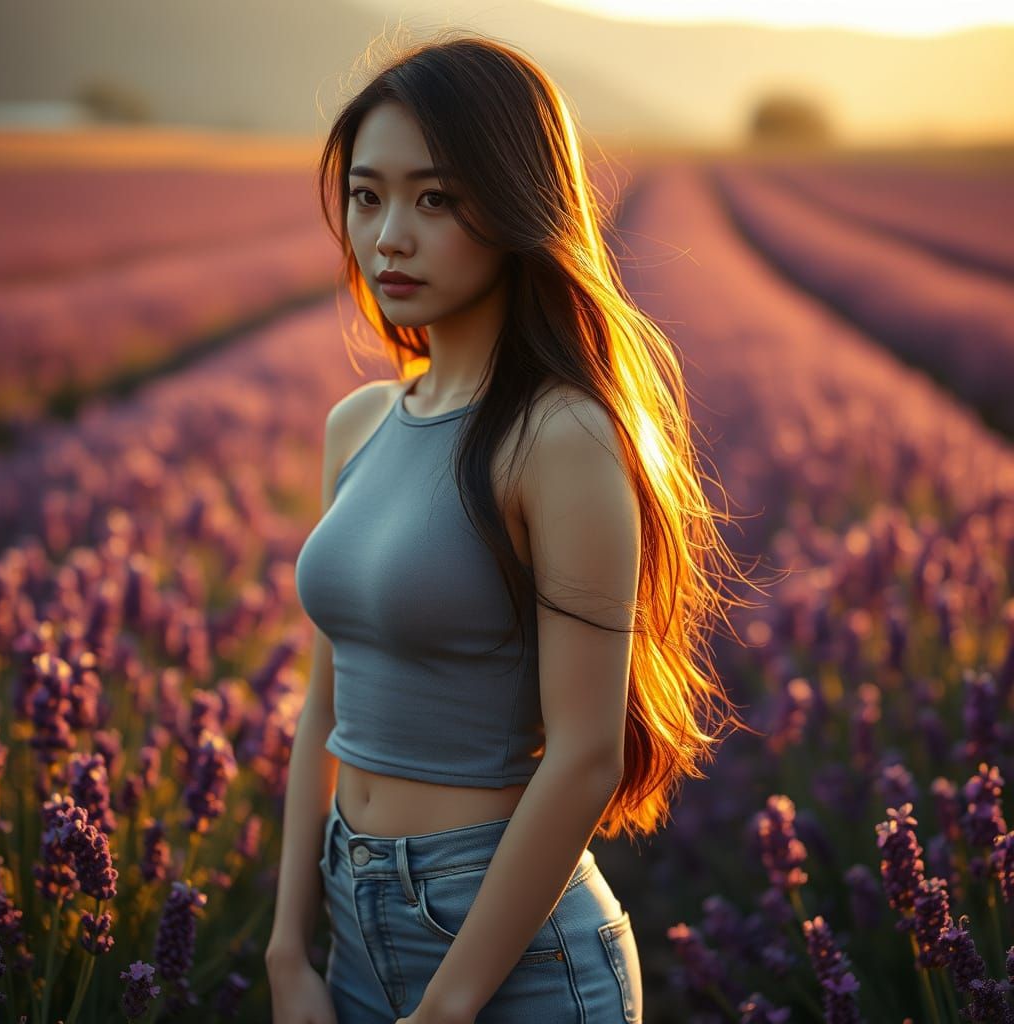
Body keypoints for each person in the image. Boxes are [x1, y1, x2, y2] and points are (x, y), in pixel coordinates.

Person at [265, 29, 760, 1024]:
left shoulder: (561, 435)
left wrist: (449, 1006)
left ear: (517, 204)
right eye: (367, 195)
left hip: (508, 951)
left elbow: (583, 755)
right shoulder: (357, 424)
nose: (389, 235)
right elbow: (324, 704)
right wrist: (287, 948)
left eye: (435, 198)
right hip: (351, 927)